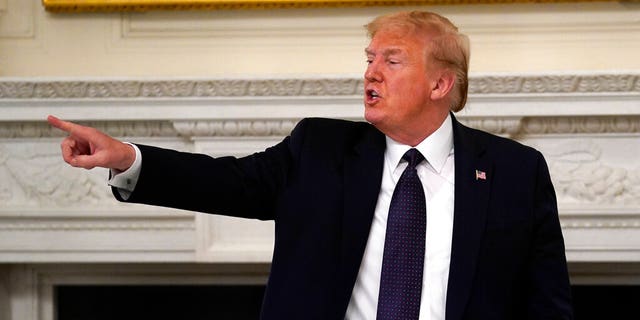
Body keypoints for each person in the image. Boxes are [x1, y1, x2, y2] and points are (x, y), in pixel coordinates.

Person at [48, 11, 573, 320]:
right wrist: (128, 159)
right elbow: (226, 182)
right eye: (368, 59)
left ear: (441, 85)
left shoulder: (514, 172)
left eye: (391, 60)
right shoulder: (321, 149)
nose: (371, 73)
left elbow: (548, 306)